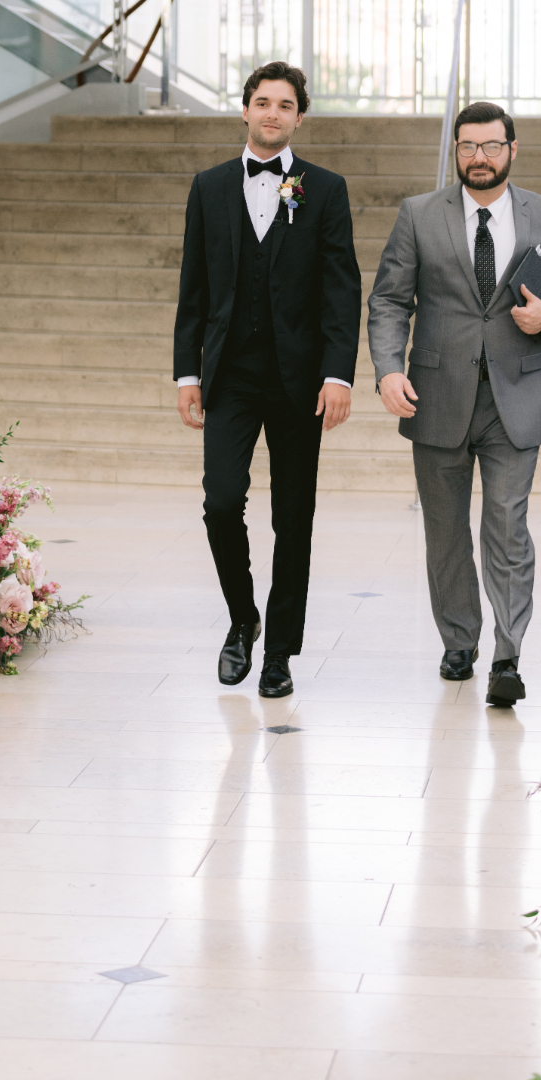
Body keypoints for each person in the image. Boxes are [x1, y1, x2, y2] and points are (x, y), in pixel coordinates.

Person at [367, 100, 541, 707]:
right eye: (468, 146)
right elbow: (390, 300)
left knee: (506, 524)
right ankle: (458, 639)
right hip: (433, 395)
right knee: (444, 531)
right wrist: (388, 370)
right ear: (456, 151)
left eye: (491, 146)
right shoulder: (419, 215)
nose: (479, 157)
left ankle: (507, 653)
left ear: (512, 149)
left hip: (514, 395)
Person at [173, 61, 362, 698]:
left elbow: (342, 291)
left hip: (300, 381)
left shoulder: (323, 189)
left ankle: (279, 650)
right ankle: (242, 618)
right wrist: (186, 373)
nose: (272, 113)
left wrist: (338, 373)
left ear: (299, 117)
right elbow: (192, 290)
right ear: (245, 110)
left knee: (294, 517)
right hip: (229, 375)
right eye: (262, 102)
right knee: (222, 503)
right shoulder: (210, 185)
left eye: (285, 104)